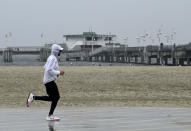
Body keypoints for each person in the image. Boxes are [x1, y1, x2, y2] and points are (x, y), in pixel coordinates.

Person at [27, 44, 65, 121]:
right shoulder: (53, 58)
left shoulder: (51, 57)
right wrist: (58, 72)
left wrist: (55, 75)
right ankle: (50, 115)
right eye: (60, 51)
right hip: (49, 81)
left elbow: (45, 67)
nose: (61, 52)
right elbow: (48, 70)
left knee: (52, 98)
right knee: (56, 97)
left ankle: (33, 97)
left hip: (48, 80)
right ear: (56, 51)